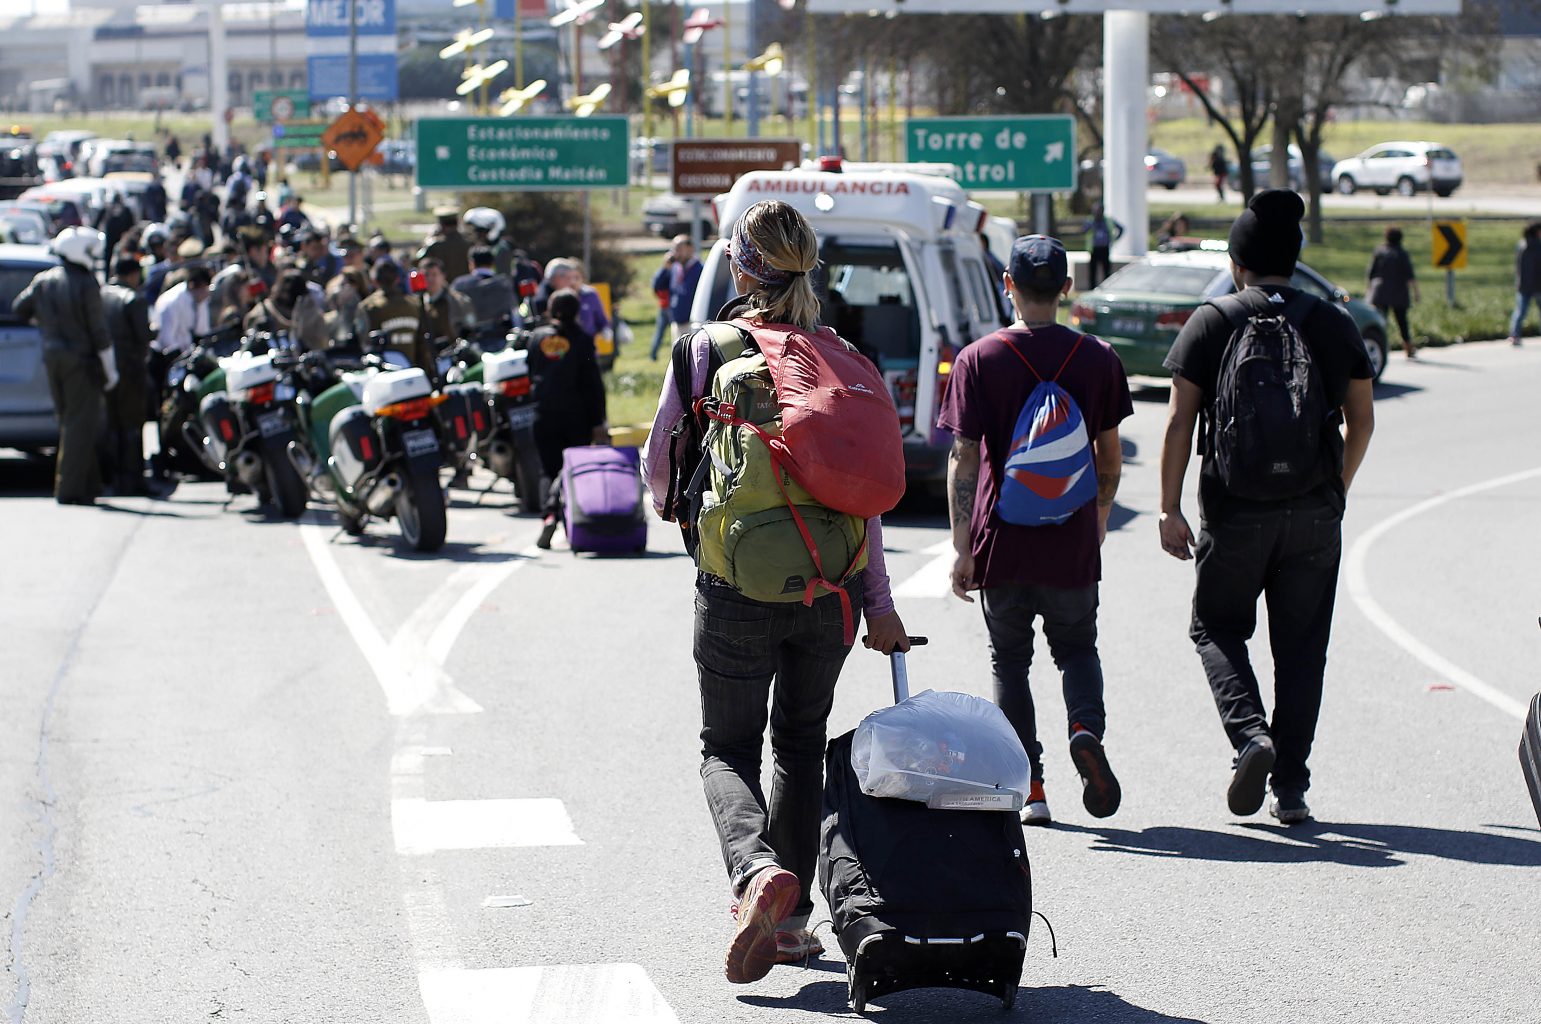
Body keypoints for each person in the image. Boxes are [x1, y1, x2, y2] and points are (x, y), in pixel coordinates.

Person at [639, 199, 910, 984]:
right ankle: (790, 928)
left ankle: (756, 872)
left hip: (734, 583)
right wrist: (880, 603)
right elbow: (866, 501)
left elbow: (661, 466)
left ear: (739, 267)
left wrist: (685, 514)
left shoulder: (705, 348)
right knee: (799, 742)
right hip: (830, 594)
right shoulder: (842, 358)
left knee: (726, 746)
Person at [1157, 189, 1376, 826]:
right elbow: (1361, 419)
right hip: (1313, 512)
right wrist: (1338, 486)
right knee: (1303, 648)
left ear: (1237, 263)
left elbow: (1178, 423)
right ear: (1295, 258)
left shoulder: (1212, 320)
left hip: (1235, 511)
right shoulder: (1332, 321)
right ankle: (1292, 788)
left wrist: (1169, 507)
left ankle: (1250, 735)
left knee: (1215, 626)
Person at [936, 235, 1132, 827]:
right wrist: (1096, 521)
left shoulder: (979, 359)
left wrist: (962, 548)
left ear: (1008, 285)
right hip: (1069, 540)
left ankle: (1033, 789)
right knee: (1077, 649)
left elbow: (963, 459)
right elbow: (1109, 458)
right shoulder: (1099, 358)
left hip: (1004, 539)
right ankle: (1084, 728)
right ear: (1068, 289)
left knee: (1010, 663)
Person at [12, 228, 117, 505]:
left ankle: (89, 484)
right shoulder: (85, 283)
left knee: (72, 423)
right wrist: (110, 368)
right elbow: (99, 330)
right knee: (79, 424)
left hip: (52, 358)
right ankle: (69, 489)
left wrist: (45, 326)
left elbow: (20, 308)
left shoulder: (43, 280)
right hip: (80, 361)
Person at [526, 288, 609, 549]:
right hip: (576, 416)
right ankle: (570, 522)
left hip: (542, 413)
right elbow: (592, 385)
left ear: (550, 310)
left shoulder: (536, 338)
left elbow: (531, 372)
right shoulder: (583, 340)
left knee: (547, 471)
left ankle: (549, 514)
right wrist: (599, 421)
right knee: (571, 470)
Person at [101, 257, 155, 495]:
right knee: (132, 425)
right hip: (130, 369)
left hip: (104, 367)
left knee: (112, 425)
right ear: (133, 274)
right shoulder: (133, 299)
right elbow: (143, 338)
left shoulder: (100, 295)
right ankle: (133, 479)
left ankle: (112, 477)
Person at [356, 260, 427, 368]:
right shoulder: (415, 305)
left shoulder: (369, 307)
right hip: (412, 373)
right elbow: (423, 343)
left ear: (374, 281)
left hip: (382, 373)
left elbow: (363, 344)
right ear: (397, 279)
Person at [1365, 226, 1420, 359]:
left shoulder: (1379, 251)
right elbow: (1410, 276)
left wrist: (1368, 290)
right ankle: (1408, 347)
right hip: (1398, 293)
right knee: (1402, 322)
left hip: (1380, 292)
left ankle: (1382, 346)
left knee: (1381, 321)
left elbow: (1371, 273)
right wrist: (1416, 293)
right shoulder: (1401, 254)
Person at [246, 269, 328, 350]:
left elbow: (321, 343)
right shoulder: (262, 312)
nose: (286, 295)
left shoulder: (312, 314)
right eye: (284, 290)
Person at [414, 257, 473, 355]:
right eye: (426, 275)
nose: (430, 279)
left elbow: (469, 331)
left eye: (434, 274)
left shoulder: (457, 301)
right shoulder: (418, 303)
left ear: (443, 276)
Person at [152, 265, 214, 357]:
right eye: (203, 289)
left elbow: (202, 331)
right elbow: (166, 340)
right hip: (166, 356)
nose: (206, 294)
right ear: (192, 285)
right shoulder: (171, 302)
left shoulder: (200, 299)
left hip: (188, 353)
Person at [452, 245, 518, 331]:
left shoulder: (459, 285)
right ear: (492, 263)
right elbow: (514, 313)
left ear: (471, 263)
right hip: (502, 335)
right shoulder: (504, 283)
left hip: (472, 337)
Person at [1507, 220, 1541, 347]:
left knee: (1520, 312)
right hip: (1534, 285)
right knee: (1521, 312)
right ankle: (1514, 334)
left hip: (1525, 285)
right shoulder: (1532, 246)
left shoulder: (1522, 245)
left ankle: (1514, 334)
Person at [417, 207, 471, 281]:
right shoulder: (468, 243)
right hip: (465, 286)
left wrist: (429, 238)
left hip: (443, 287)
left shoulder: (434, 245)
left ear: (441, 225)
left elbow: (418, 259)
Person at [667, 235, 703, 340]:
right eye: (675, 249)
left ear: (691, 248)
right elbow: (658, 286)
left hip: (691, 323)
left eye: (679, 249)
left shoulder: (699, 269)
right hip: (676, 322)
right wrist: (664, 269)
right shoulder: (675, 268)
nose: (676, 253)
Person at [1080, 204, 1123, 289]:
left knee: (1106, 270)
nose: (1097, 213)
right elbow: (1083, 230)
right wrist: (1091, 224)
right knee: (1093, 270)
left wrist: (1114, 239)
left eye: (1099, 211)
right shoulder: (1090, 221)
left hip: (1104, 248)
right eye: (1096, 211)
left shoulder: (1108, 220)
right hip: (1094, 249)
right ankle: (1092, 288)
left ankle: (1107, 287)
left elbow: (1121, 229)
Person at [647, 248, 675, 360]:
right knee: (660, 332)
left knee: (673, 331)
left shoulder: (673, 271)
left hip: (670, 305)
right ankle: (653, 355)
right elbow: (656, 286)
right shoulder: (663, 272)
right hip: (666, 306)